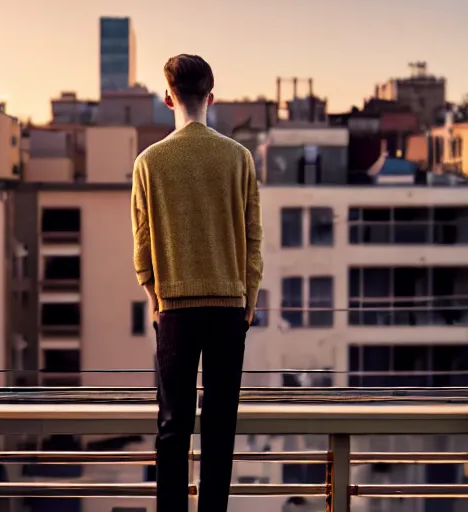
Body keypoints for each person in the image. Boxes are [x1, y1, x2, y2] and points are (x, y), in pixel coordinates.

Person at [131, 54, 263, 512]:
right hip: (229, 307)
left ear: (168, 97)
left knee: (173, 426)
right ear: (212, 96)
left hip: (175, 310)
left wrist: (154, 297)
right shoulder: (240, 158)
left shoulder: (149, 162)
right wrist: (249, 298)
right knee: (220, 426)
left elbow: (142, 244)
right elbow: (252, 239)